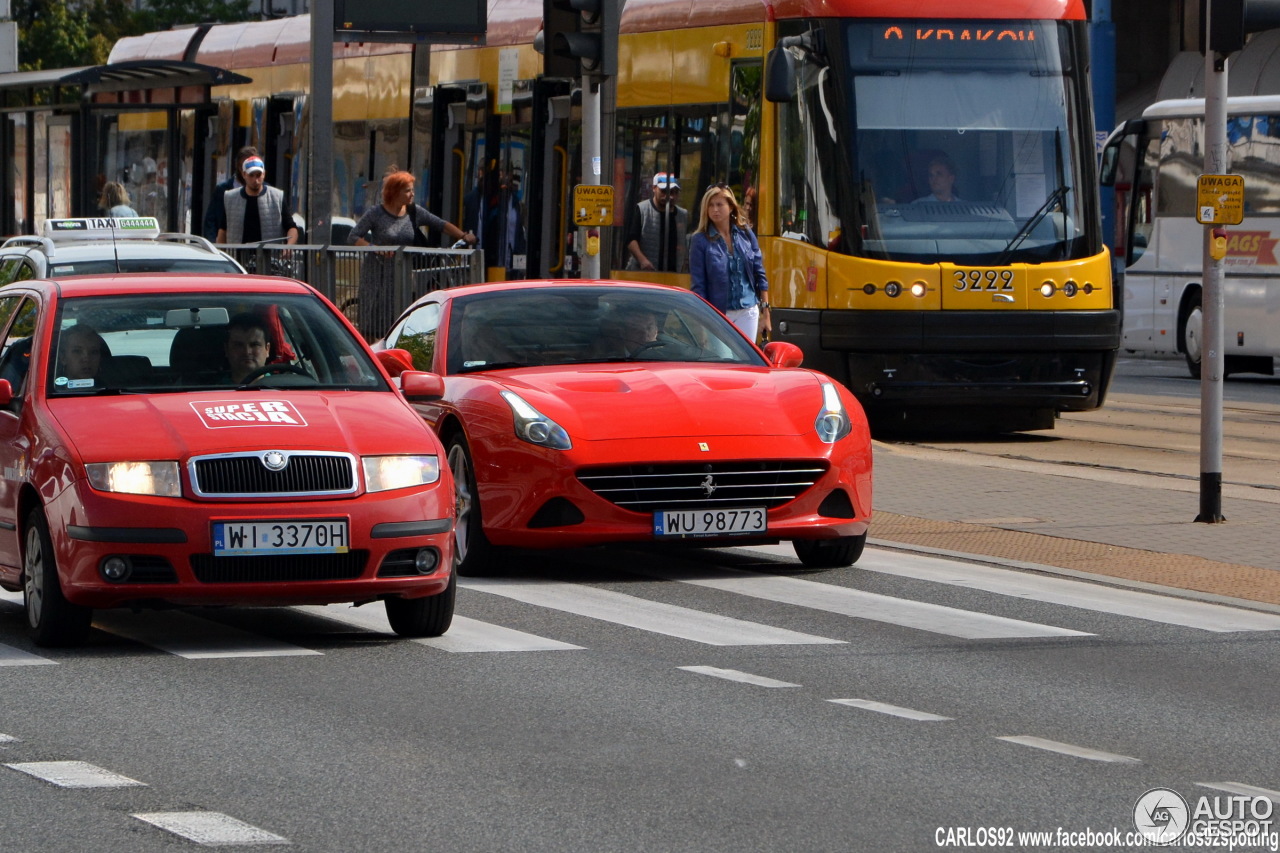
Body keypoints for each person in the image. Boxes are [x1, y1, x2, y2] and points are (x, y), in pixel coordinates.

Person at [350, 170, 476, 339]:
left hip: (402, 276)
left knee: (399, 321)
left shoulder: (413, 212)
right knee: (373, 324)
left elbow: (440, 224)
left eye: (412, 190)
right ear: (394, 192)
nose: (412, 194)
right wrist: (374, 247)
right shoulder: (376, 213)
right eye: (407, 190)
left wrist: (463, 236)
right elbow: (353, 236)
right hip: (377, 276)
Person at [689, 183, 770, 343]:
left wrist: (766, 314)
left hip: (748, 311)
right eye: (710, 205)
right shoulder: (700, 240)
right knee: (723, 363)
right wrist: (702, 323)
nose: (715, 210)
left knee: (746, 364)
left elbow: (759, 274)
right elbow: (699, 285)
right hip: (718, 314)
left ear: (731, 207)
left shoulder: (746, 233)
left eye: (719, 204)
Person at [215, 156, 299, 247]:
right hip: (237, 257)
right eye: (251, 175)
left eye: (258, 175)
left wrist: (289, 246)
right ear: (244, 174)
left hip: (268, 258)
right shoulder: (230, 198)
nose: (255, 180)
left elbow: (291, 227)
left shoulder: (277, 197)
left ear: (264, 174)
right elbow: (223, 229)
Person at [624, 172, 688, 272]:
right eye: (664, 191)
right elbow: (631, 239)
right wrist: (642, 260)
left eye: (674, 192)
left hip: (674, 273)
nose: (669, 196)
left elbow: (686, 242)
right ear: (654, 188)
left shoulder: (682, 215)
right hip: (645, 272)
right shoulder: (642, 209)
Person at [203, 146, 257, 242]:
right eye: (244, 167)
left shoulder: (266, 191)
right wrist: (214, 246)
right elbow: (211, 220)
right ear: (238, 167)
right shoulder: (222, 190)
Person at [591, 303, 661, 358]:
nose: (645, 334)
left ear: (656, 331)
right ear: (623, 333)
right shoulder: (602, 355)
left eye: (649, 327)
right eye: (636, 329)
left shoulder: (667, 355)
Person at [223, 313, 272, 384]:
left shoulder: (285, 389)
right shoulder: (212, 392)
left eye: (254, 345)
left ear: (267, 349)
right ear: (226, 350)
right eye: (239, 345)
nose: (247, 352)